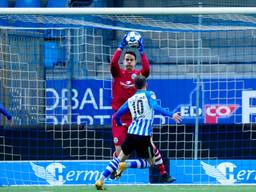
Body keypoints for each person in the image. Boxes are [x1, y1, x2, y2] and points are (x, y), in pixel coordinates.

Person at [95, 75, 182, 190]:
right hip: (143, 136)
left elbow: (116, 115)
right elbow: (155, 106)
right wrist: (172, 114)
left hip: (130, 134)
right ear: (146, 84)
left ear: (135, 87)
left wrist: (120, 124)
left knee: (118, 157)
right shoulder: (149, 94)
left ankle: (100, 180)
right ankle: (127, 165)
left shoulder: (130, 99)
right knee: (150, 163)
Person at [110, 32, 173, 182]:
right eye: (127, 60)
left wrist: (142, 51)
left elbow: (147, 70)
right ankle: (115, 170)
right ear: (124, 61)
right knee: (119, 152)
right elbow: (113, 64)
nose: (129, 62)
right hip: (119, 118)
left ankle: (164, 174)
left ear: (135, 61)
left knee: (151, 146)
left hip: (136, 119)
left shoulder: (139, 77)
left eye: (132, 60)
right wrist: (120, 47)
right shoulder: (118, 73)